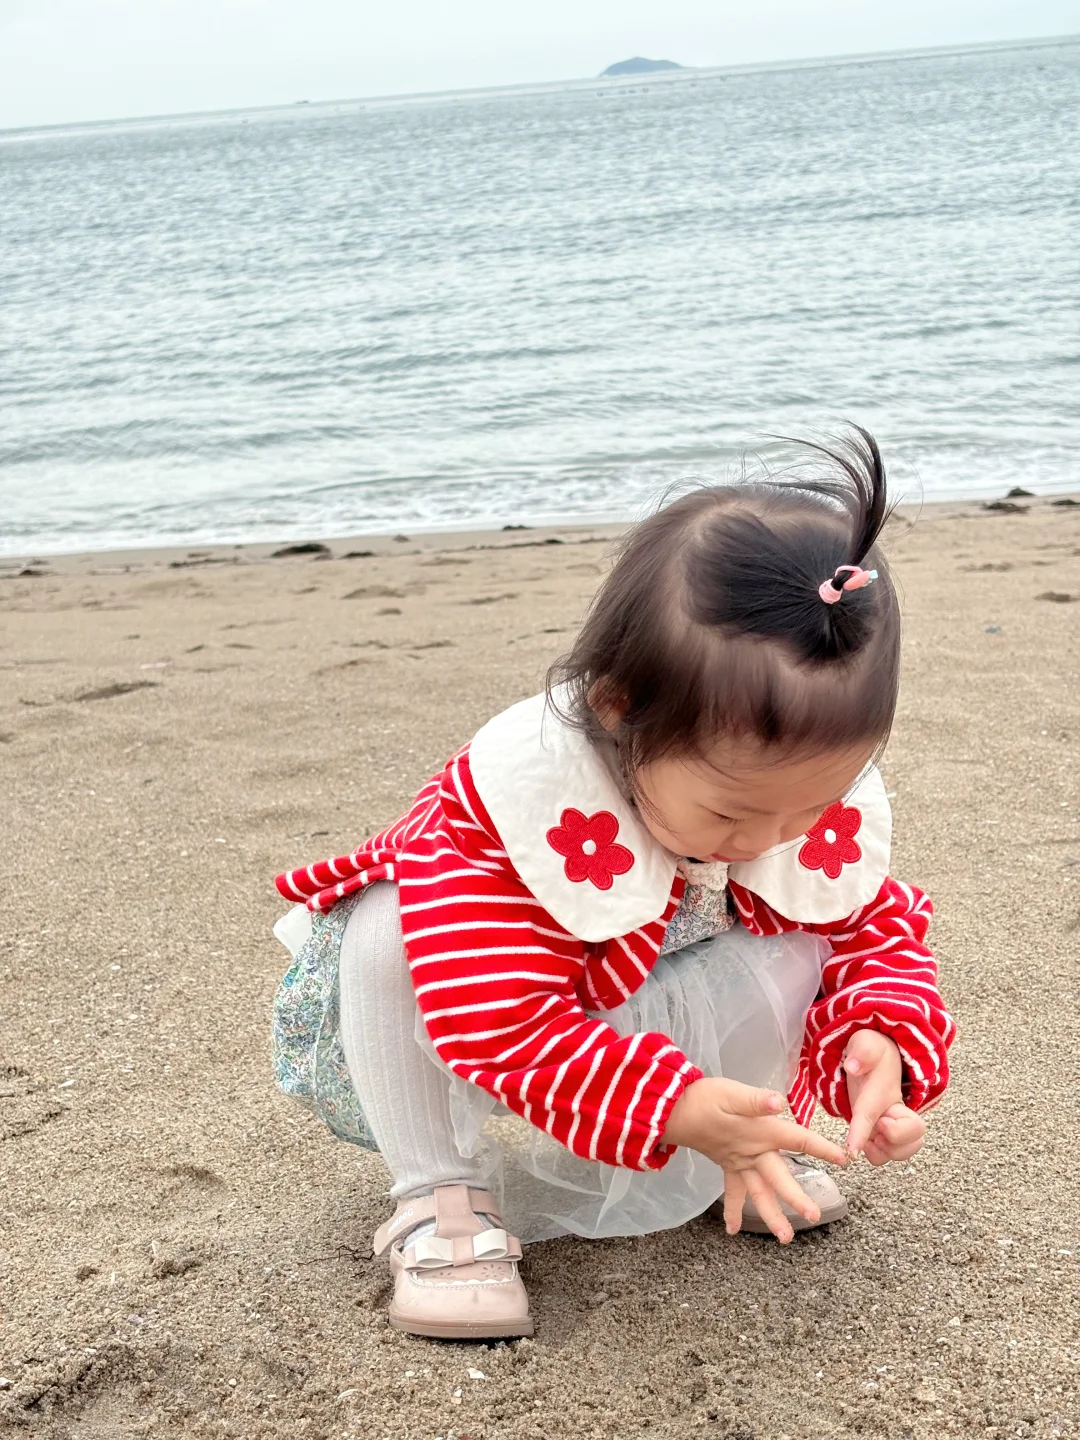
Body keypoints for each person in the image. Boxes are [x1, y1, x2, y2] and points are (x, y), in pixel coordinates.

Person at [270, 428, 955, 1341]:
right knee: (386, 924)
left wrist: (875, 1039)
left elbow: (874, 925)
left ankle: (738, 1148)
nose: (763, 841)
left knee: (810, 916)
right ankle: (439, 1199)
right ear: (620, 707)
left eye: (810, 804)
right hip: (487, 1019)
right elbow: (496, 1021)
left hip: (637, 1000)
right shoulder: (508, 811)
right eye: (728, 816)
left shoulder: (781, 802)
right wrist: (672, 1103)